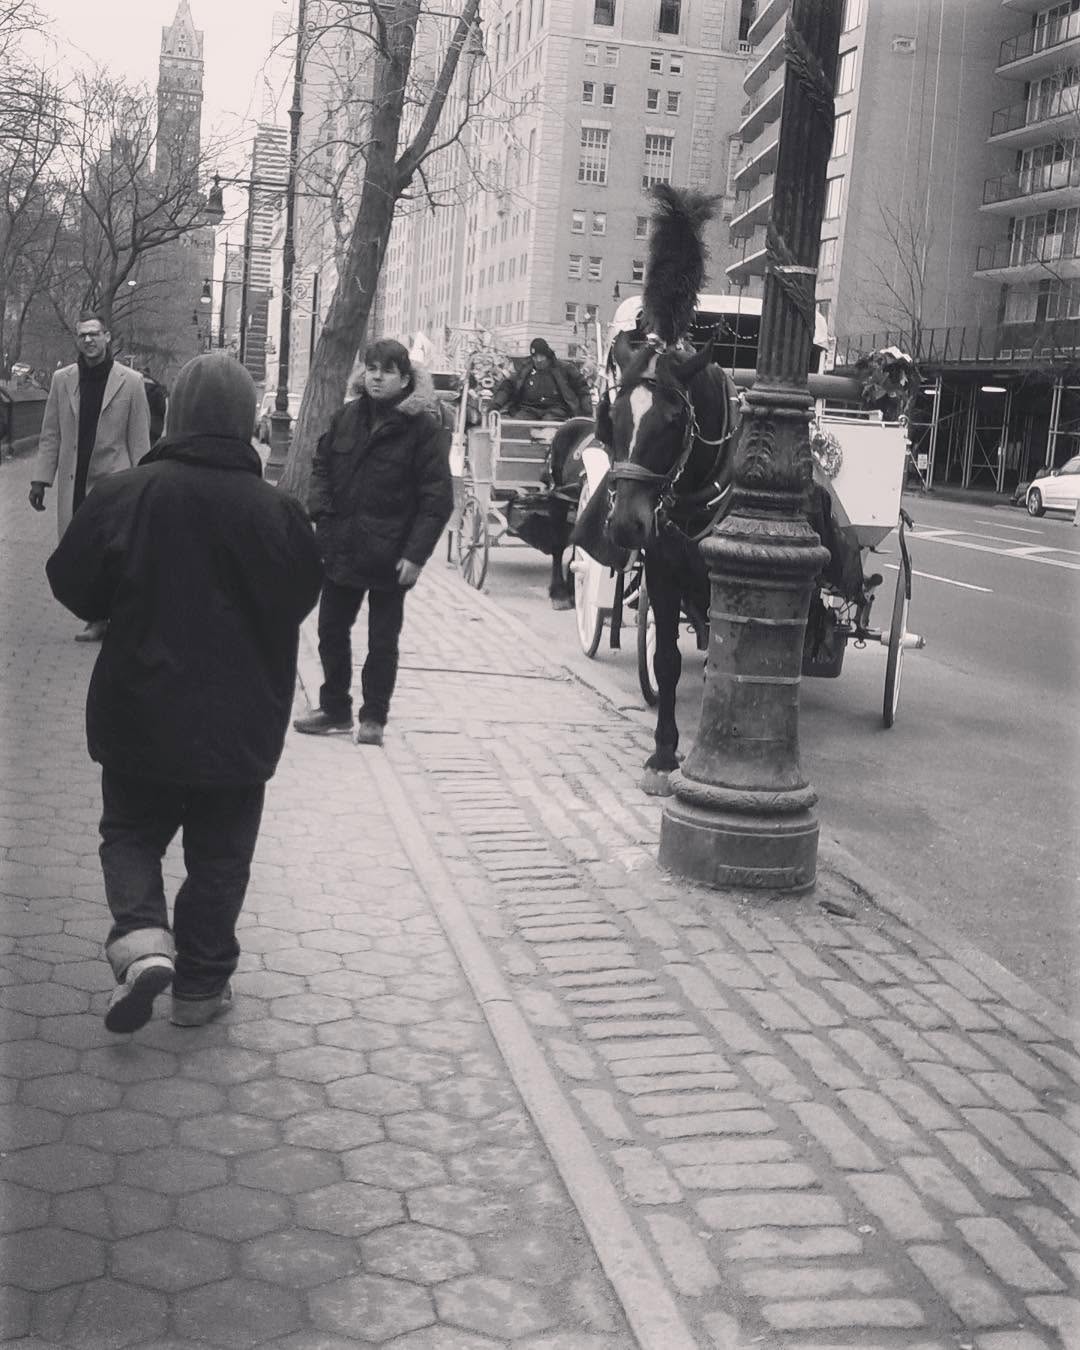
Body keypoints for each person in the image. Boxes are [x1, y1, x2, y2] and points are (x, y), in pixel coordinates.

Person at [45, 352, 323, 1033]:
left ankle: (142, 939)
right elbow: (300, 596)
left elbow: (71, 581)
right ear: (247, 420)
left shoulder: (128, 494)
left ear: (176, 415)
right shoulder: (279, 513)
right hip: (240, 719)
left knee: (131, 831)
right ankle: (199, 988)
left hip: (140, 704)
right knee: (221, 855)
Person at [293, 339, 453, 747]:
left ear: (404, 378)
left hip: (391, 554)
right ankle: (335, 708)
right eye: (371, 368)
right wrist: (322, 516)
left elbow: (437, 500)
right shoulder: (346, 417)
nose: (376, 376)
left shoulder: (424, 430)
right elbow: (321, 468)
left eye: (386, 370)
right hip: (342, 546)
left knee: (382, 641)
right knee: (330, 630)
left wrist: (415, 555)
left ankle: (373, 717)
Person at [29, 313, 151, 642]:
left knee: (110, 554)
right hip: (74, 481)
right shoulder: (62, 380)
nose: (88, 340)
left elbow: (139, 442)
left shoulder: (131, 382)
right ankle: (95, 614)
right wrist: (40, 479)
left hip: (114, 484)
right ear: (77, 340)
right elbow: (50, 434)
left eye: (95, 334)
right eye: (83, 335)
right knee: (78, 553)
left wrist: (143, 488)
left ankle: (104, 618)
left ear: (108, 337)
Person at [489, 337, 592, 421]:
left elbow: (582, 388)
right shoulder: (525, 369)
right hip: (528, 409)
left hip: (556, 410)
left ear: (547, 355)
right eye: (535, 357)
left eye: (541, 356)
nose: (538, 360)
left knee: (550, 424)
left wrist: (587, 412)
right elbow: (508, 386)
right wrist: (496, 405)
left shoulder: (564, 369)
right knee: (518, 425)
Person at [142, 368, 168, 445]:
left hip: (138, 427)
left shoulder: (134, 386)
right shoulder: (157, 389)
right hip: (154, 428)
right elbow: (162, 409)